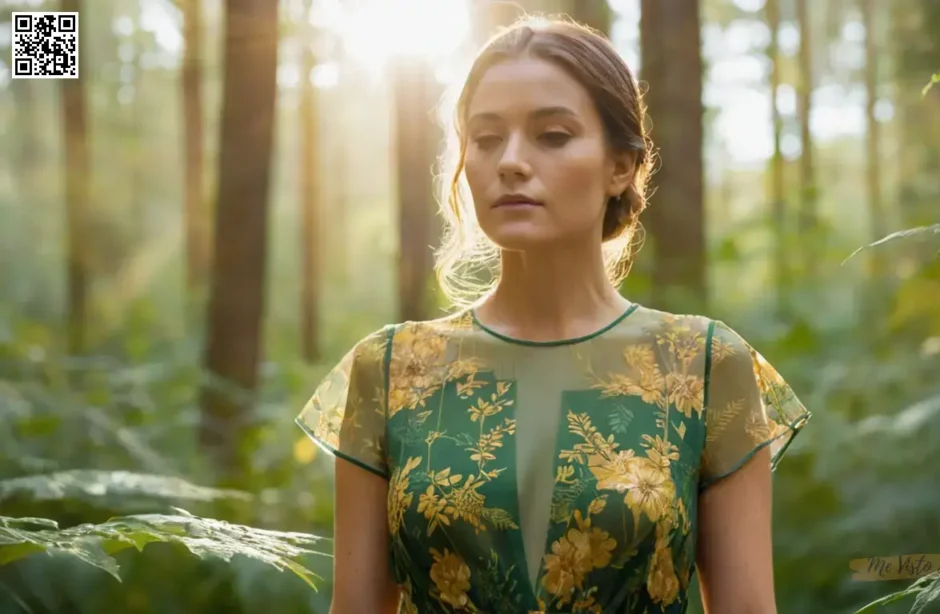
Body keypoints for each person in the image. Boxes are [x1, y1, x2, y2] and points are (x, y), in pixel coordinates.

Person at [296, 15, 810, 614]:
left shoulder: (704, 364)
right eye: (486, 139)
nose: (510, 161)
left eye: (553, 135)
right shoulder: (387, 369)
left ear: (620, 166)